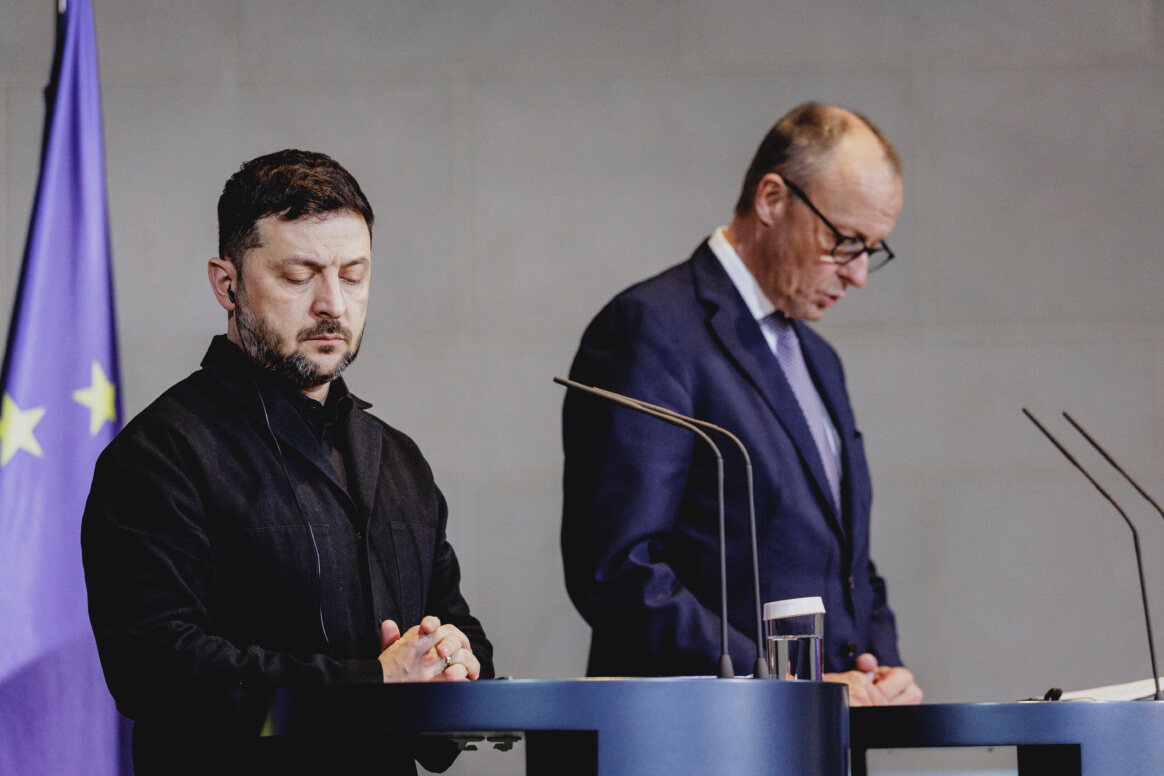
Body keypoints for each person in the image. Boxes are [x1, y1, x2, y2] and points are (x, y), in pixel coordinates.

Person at [82, 149, 493, 772]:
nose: (333, 303)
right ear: (227, 284)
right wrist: (373, 681)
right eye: (301, 275)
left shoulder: (400, 460)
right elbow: (157, 670)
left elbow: (454, 623)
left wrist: (455, 662)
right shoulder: (157, 457)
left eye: (353, 275)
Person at [561, 102, 922, 706]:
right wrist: (781, 683)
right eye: (845, 241)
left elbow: (845, 558)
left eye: (873, 249)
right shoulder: (650, 329)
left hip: (814, 739)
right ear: (773, 199)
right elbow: (620, 571)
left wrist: (882, 666)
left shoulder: (819, 358)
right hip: (701, 740)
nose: (858, 274)